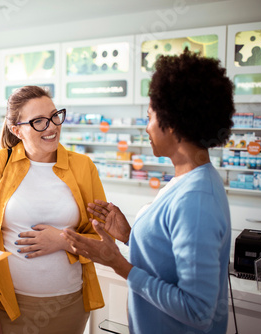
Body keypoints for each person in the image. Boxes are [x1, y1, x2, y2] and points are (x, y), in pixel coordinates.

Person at [63, 50, 235, 334]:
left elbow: (197, 310)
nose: (146, 128)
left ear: (172, 123)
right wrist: (131, 236)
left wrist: (118, 264)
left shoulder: (197, 199)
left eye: (149, 117)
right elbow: (171, 260)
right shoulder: (188, 179)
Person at [0, 85, 106, 334]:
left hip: (69, 305)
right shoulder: (0, 164)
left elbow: (103, 239)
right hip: (6, 306)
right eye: (38, 121)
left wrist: (63, 241)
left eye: (54, 116)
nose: (51, 126)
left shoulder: (83, 167)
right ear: (16, 129)